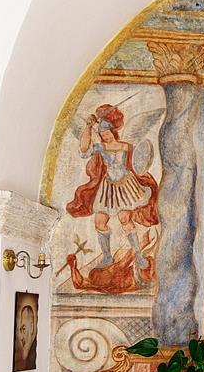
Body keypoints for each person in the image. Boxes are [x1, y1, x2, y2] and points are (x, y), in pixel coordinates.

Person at [66, 104, 159, 273]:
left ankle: (138, 255)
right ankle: (107, 256)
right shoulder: (100, 147)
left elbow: (138, 162)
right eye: (102, 134)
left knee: (125, 219)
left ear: (113, 132)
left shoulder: (126, 146)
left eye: (107, 133)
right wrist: (88, 126)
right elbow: (83, 151)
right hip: (107, 188)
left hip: (126, 185)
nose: (105, 136)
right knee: (99, 221)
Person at [13, 303, 37, 372]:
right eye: (20, 330)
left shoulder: (32, 358)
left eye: (23, 329)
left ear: (32, 327)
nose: (21, 337)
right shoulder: (27, 358)